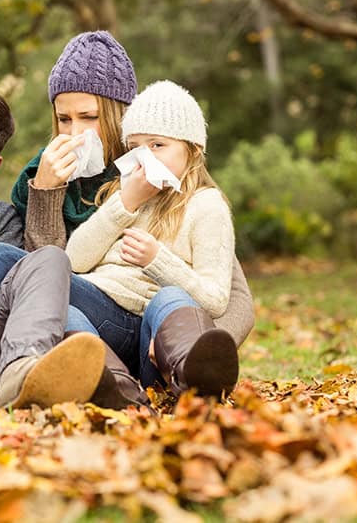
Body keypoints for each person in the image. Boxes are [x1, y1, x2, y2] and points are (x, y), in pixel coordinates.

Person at [0, 31, 254, 404]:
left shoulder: (158, 173)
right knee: (27, 277)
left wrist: (181, 339)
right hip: (81, 325)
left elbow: (232, 297)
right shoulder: (40, 179)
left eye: (89, 117)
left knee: (156, 298)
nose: (75, 133)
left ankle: (188, 376)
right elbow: (47, 273)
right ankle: (106, 389)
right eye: (63, 119)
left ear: (120, 116)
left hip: (152, 334)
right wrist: (46, 194)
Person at [66, 79, 239, 397]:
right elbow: (74, 260)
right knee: (52, 285)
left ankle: (195, 379)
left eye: (157, 145)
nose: (145, 157)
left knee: (169, 298)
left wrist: (156, 260)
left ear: (193, 149)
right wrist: (126, 202)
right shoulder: (125, 193)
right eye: (135, 148)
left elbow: (215, 300)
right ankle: (114, 387)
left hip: (152, 335)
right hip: (105, 319)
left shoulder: (206, 206)